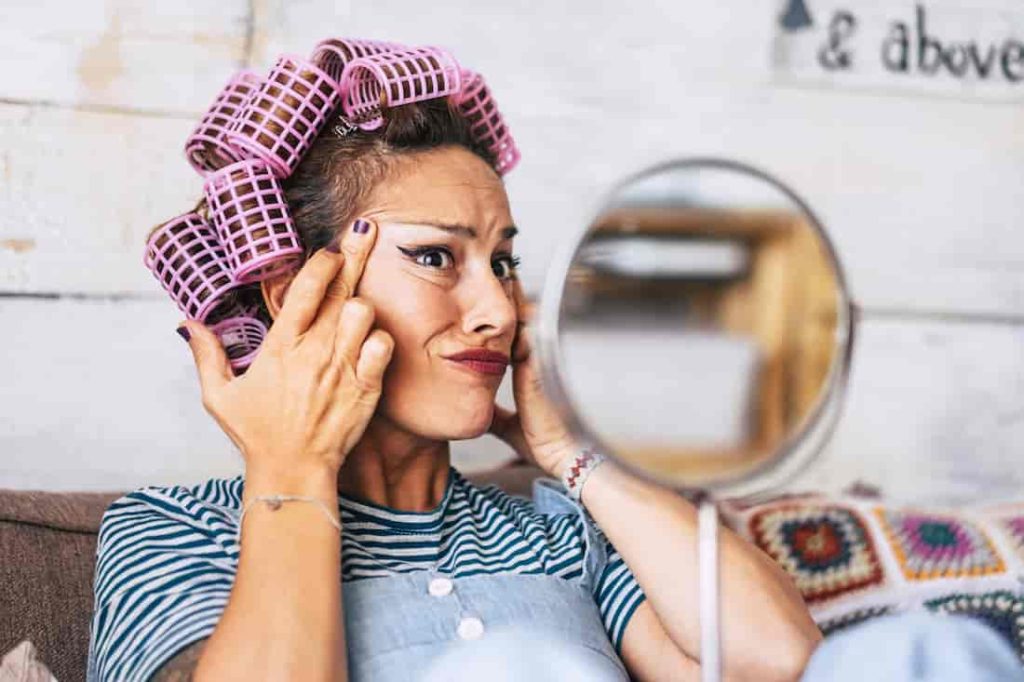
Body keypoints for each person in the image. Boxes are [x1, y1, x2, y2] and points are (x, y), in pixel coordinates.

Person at [85, 42, 822, 681]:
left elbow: (779, 663)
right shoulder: (177, 530)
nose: (499, 310)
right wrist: (291, 464)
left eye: (502, 262)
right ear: (298, 293)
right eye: (435, 256)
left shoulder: (562, 534)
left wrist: (571, 454)